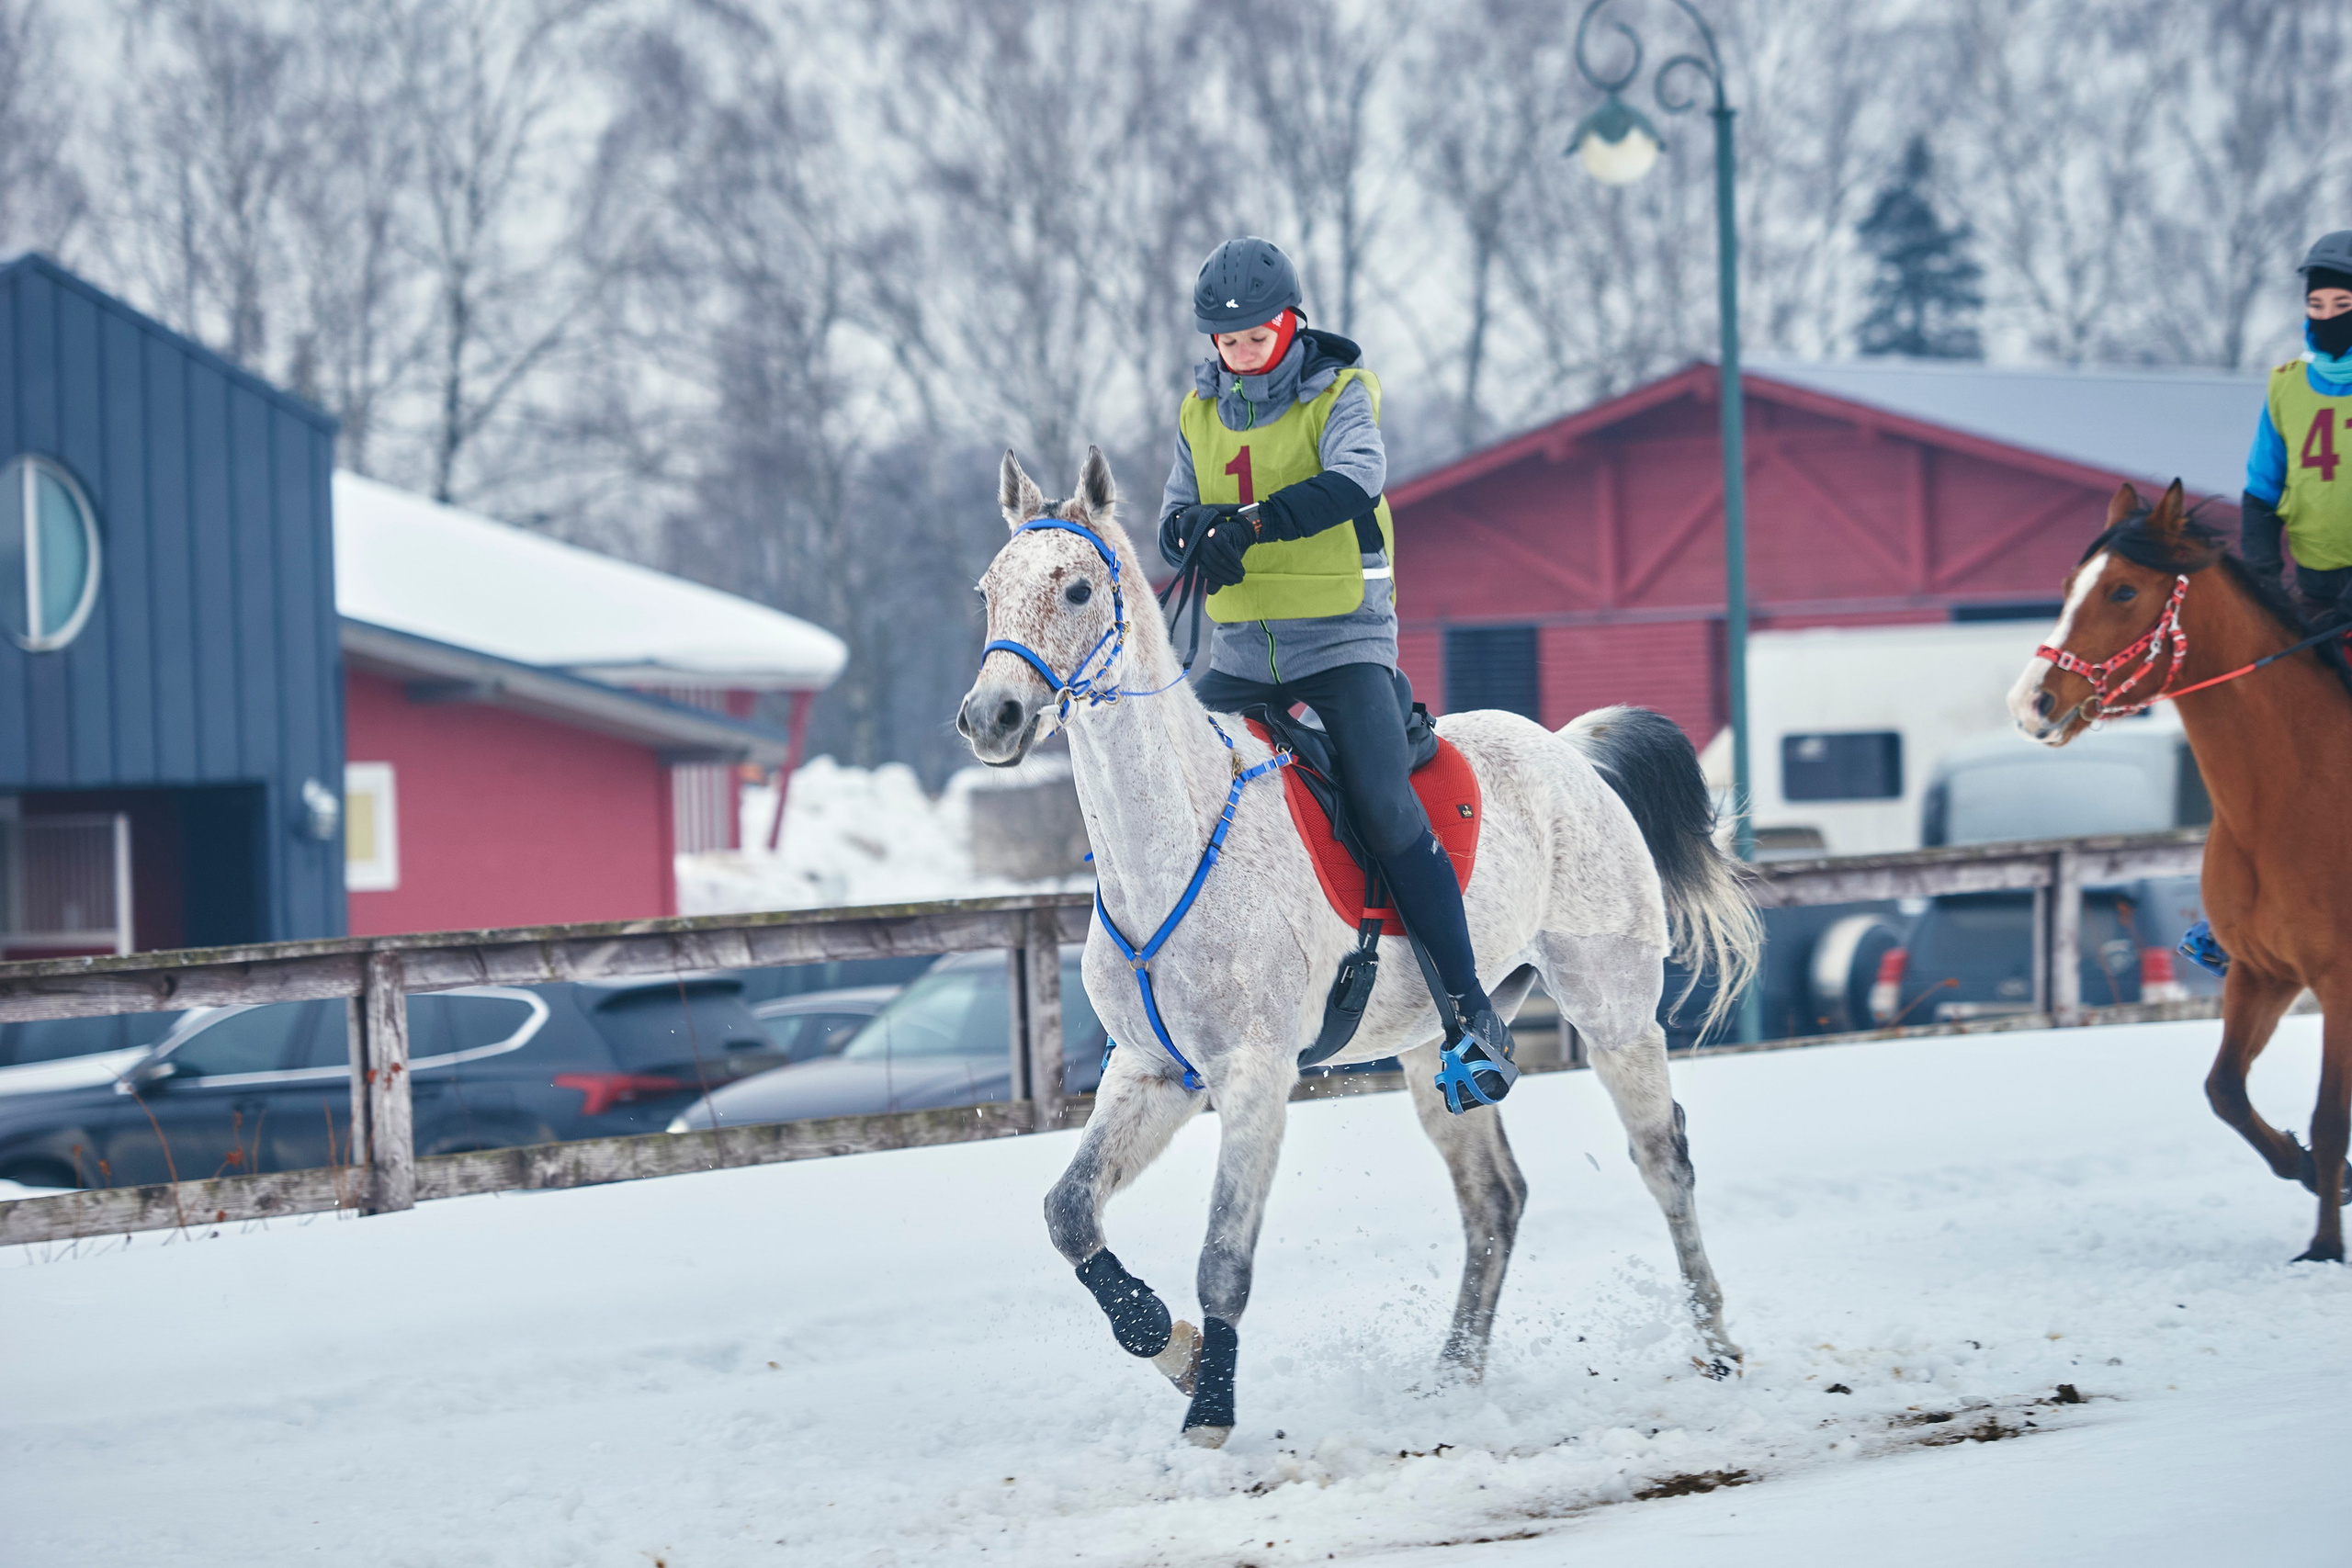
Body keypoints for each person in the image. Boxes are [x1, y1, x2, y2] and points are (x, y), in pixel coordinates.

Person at [1157, 236, 1517, 1112]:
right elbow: (1170, 519)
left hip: (1343, 641)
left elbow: (1358, 478)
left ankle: (1470, 1015)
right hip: (1239, 658)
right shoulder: (1198, 410)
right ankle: (1159, 1004)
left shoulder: (1341, 393)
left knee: (1388, 807)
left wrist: (1254, 521)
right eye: (1227, 342)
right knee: (1173, 795)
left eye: (1257, 337)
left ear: (1293, 323)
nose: (1241, 355)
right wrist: (1198, 528)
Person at [2243, 231, 2352, 635]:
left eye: (2343, 305)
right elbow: (2262, 490)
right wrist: (2263, 577)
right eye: (2316, 304)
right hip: (2315, 590)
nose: (2327, 316)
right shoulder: (2286, 384)